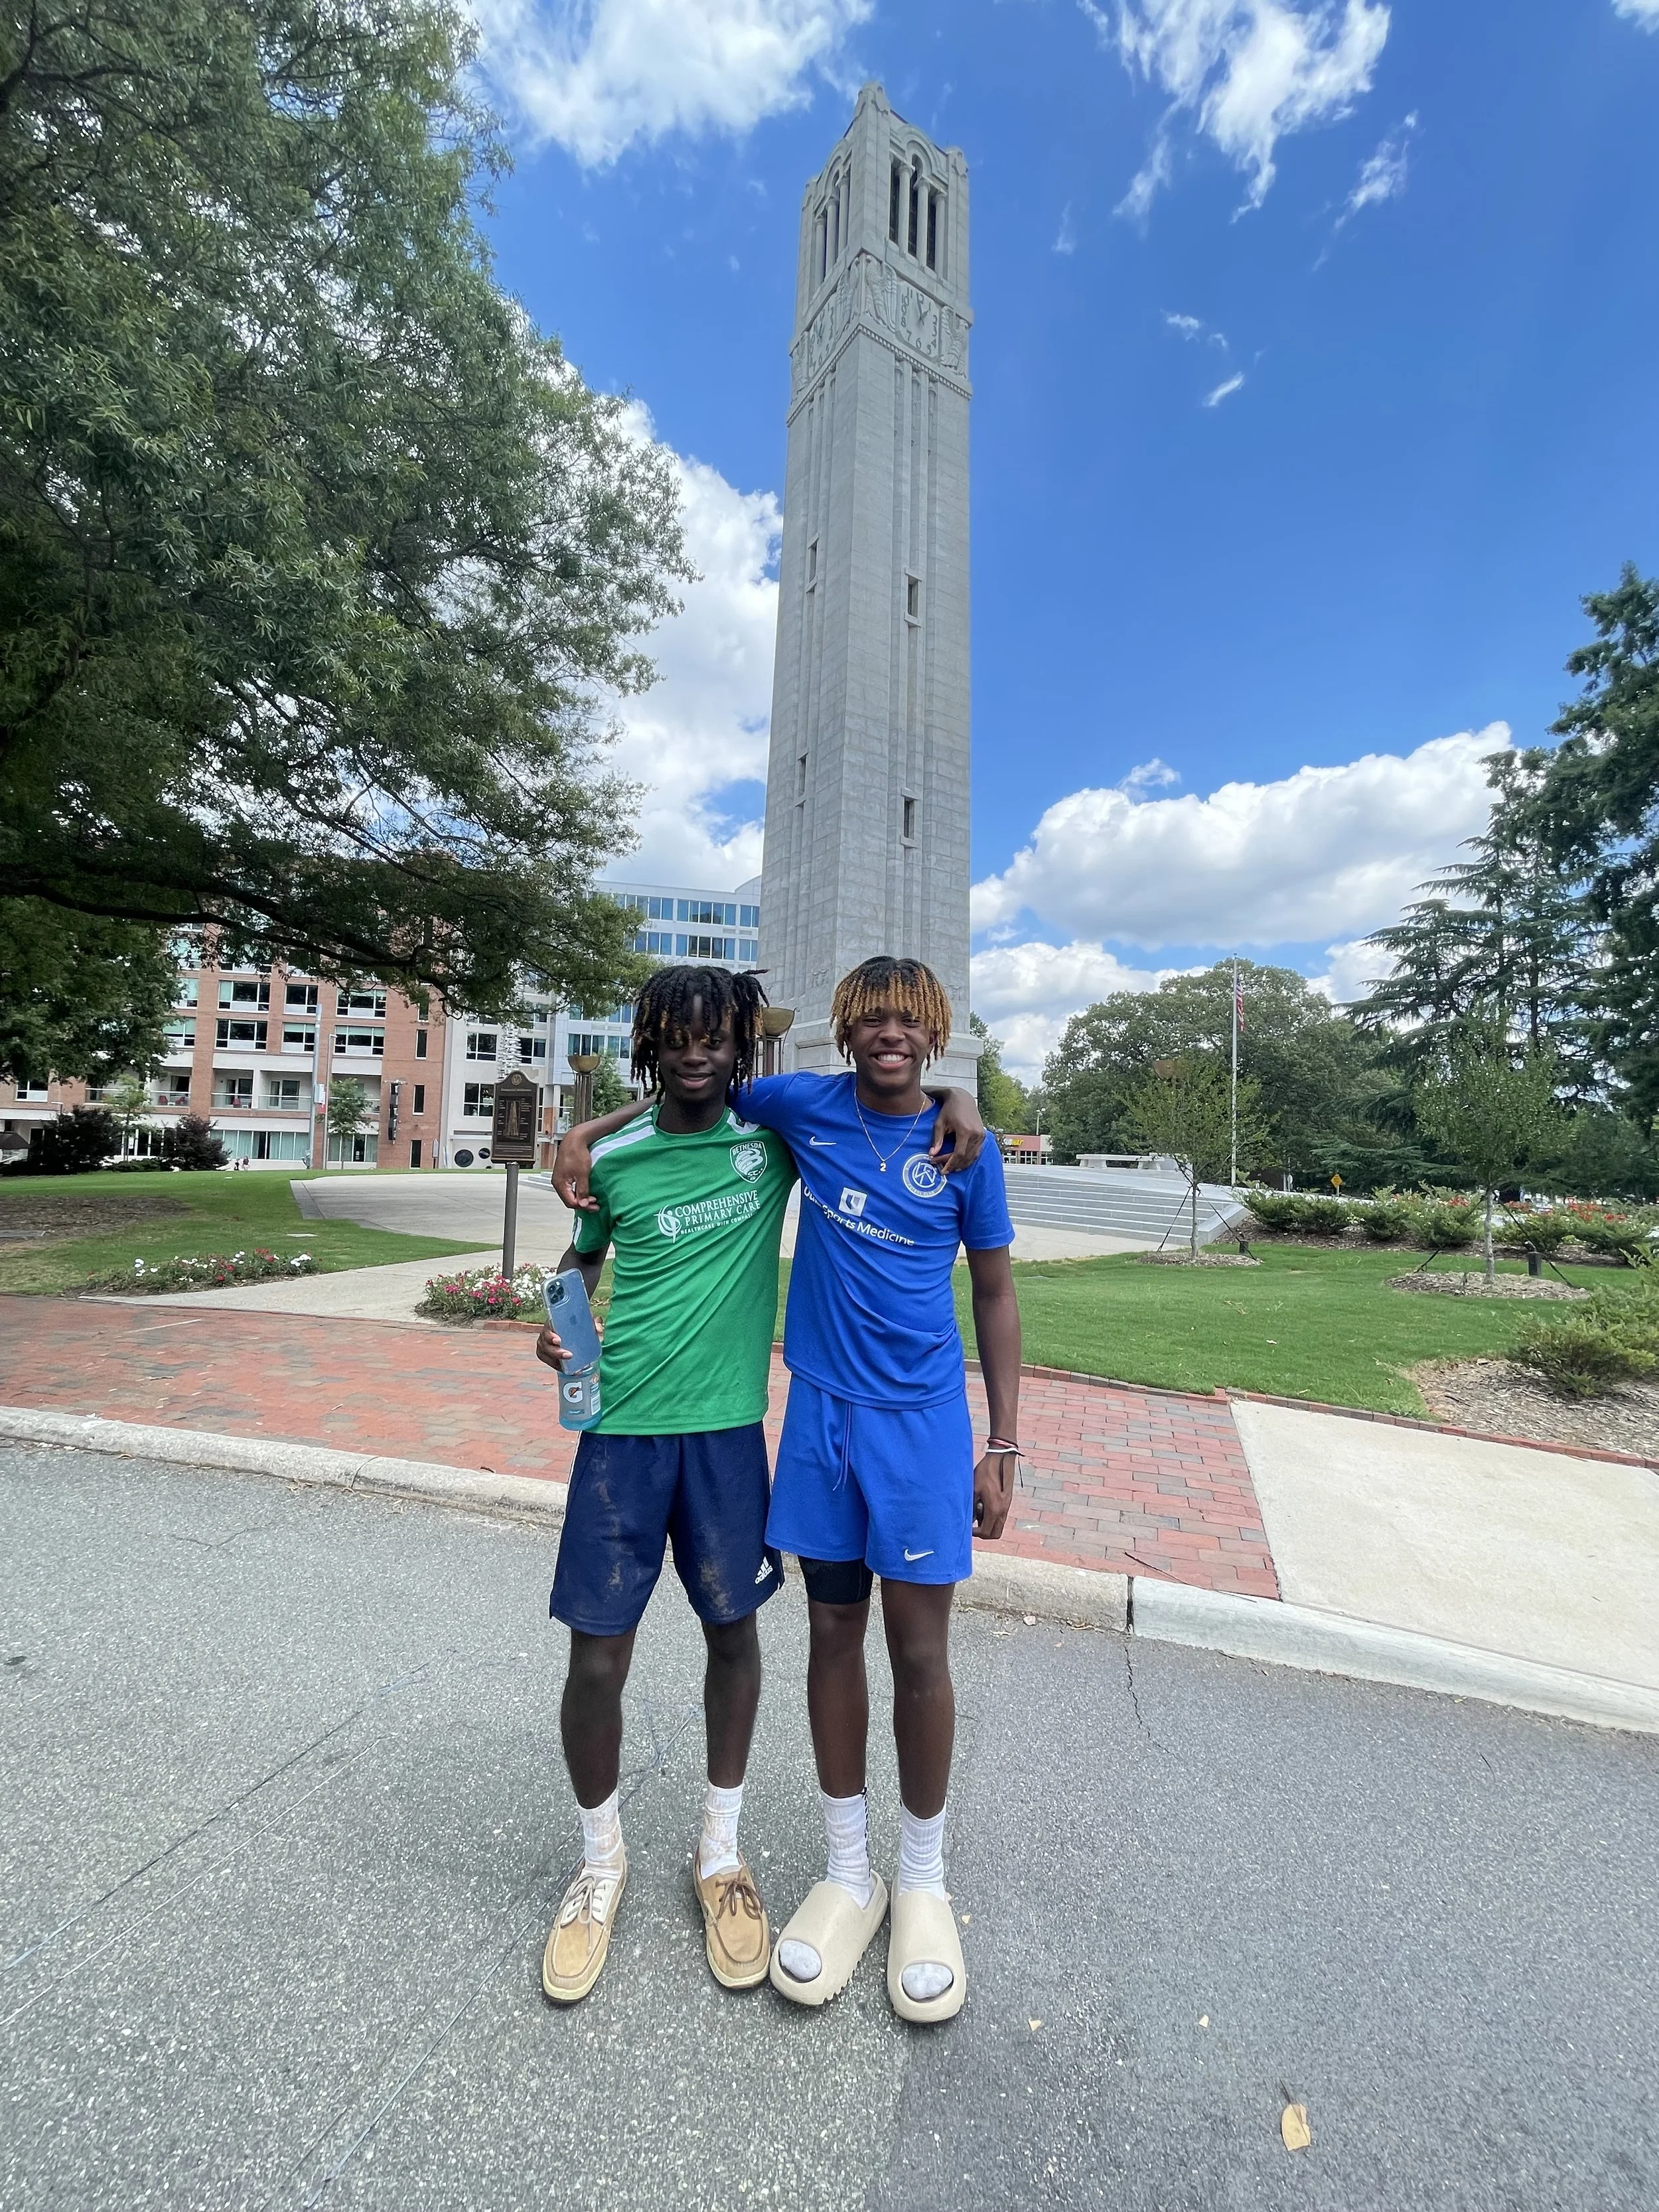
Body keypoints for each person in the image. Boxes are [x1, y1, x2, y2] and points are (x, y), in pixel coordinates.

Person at [557, 956, 1020, 2026]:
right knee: (808, 1640)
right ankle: (837, 1874)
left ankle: (915, 1883)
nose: (890, 1037)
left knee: (908, 1653)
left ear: (934, 1030)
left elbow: (995, 1290)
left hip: (884, 1431)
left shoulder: (940, 1143)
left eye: (911, 1023)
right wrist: (581, 1135)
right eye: (872, 1021)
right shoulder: (787, 1112)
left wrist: (1006, 1444)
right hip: (790, 1422)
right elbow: (675, 1102)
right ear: (842, 1032)